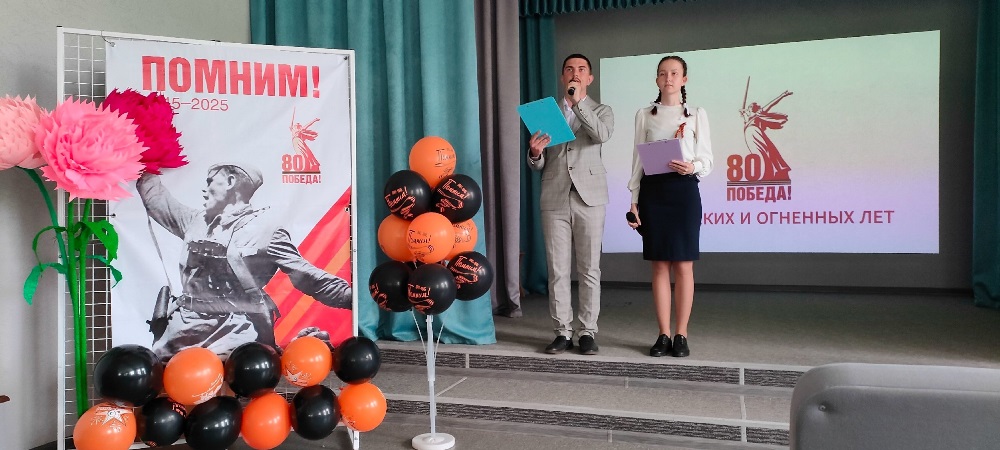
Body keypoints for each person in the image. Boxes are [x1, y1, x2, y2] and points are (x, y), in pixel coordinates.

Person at [137, 163, 352, 361]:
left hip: (235, 331)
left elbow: (309, 278)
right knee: (164, 374)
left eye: (210, 181)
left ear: (231, 182)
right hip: (183, 327)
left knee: (235, 376)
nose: (205, 189)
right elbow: (157, 200)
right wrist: (142, 158)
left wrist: (353, 298)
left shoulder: (267, 232)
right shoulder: (195, 221)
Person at [527, 54, 614, 355]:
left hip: (590, 198)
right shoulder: (547, 114)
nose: (574, 73)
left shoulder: (602, 111)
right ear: (562, 77)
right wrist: (535, 153)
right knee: (557, 270)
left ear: (589, 78)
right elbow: (539, 163)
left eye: (581, 70)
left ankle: (587, 331)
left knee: (589, 269)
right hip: (555, 196)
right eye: (569, 69)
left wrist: (577, 104)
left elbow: (601, 135)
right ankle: (562, 331)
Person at [627, 55, 713, 358]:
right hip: (653, 192)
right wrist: (634, 200)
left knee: (684, 265)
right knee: (660, 265)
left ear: (684, 79)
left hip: (684, 191)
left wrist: (692, 167)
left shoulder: (696, 114)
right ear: (657, 80)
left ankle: (681, 334)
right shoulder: (644, 114)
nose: (669, 78)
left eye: (675, 73)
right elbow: (637, 160)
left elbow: (707, 159)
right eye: (663, 73)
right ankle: (663, 333)